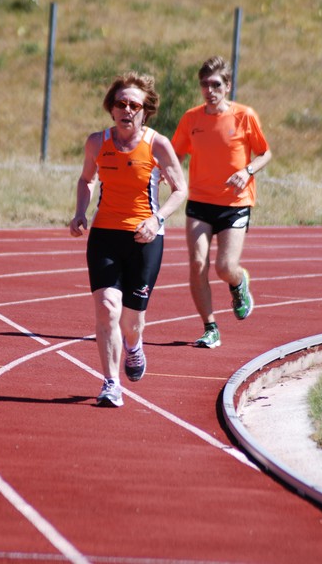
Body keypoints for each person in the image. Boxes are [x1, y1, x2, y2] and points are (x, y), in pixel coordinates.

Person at [69, 71, 187, 407]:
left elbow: (181, 190)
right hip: (105, 234)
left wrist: (157, 218)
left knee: (132, 322)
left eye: (134, 104)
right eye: (120, 103)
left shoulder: (158, 144)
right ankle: (110, 383)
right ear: (111, 108)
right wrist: (80, 212)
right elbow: (86, 179)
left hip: (144, 238)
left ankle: (134, 347)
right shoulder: (97, 142)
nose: (127, 109)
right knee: (107, 308)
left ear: (145, 110)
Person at [171, 55, 272, 349]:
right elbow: (176, 153)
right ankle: (210, 327)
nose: (209, 90)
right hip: (200, 202)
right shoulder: (192, 118)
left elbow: (265, 153)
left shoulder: (244, 116)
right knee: (197, 263)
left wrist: (247, 170)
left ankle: (238, 283)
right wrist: (169, 173)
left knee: (225, 267)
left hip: (234, 204)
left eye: (215, 84)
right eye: (204, 84)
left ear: (227, 86)